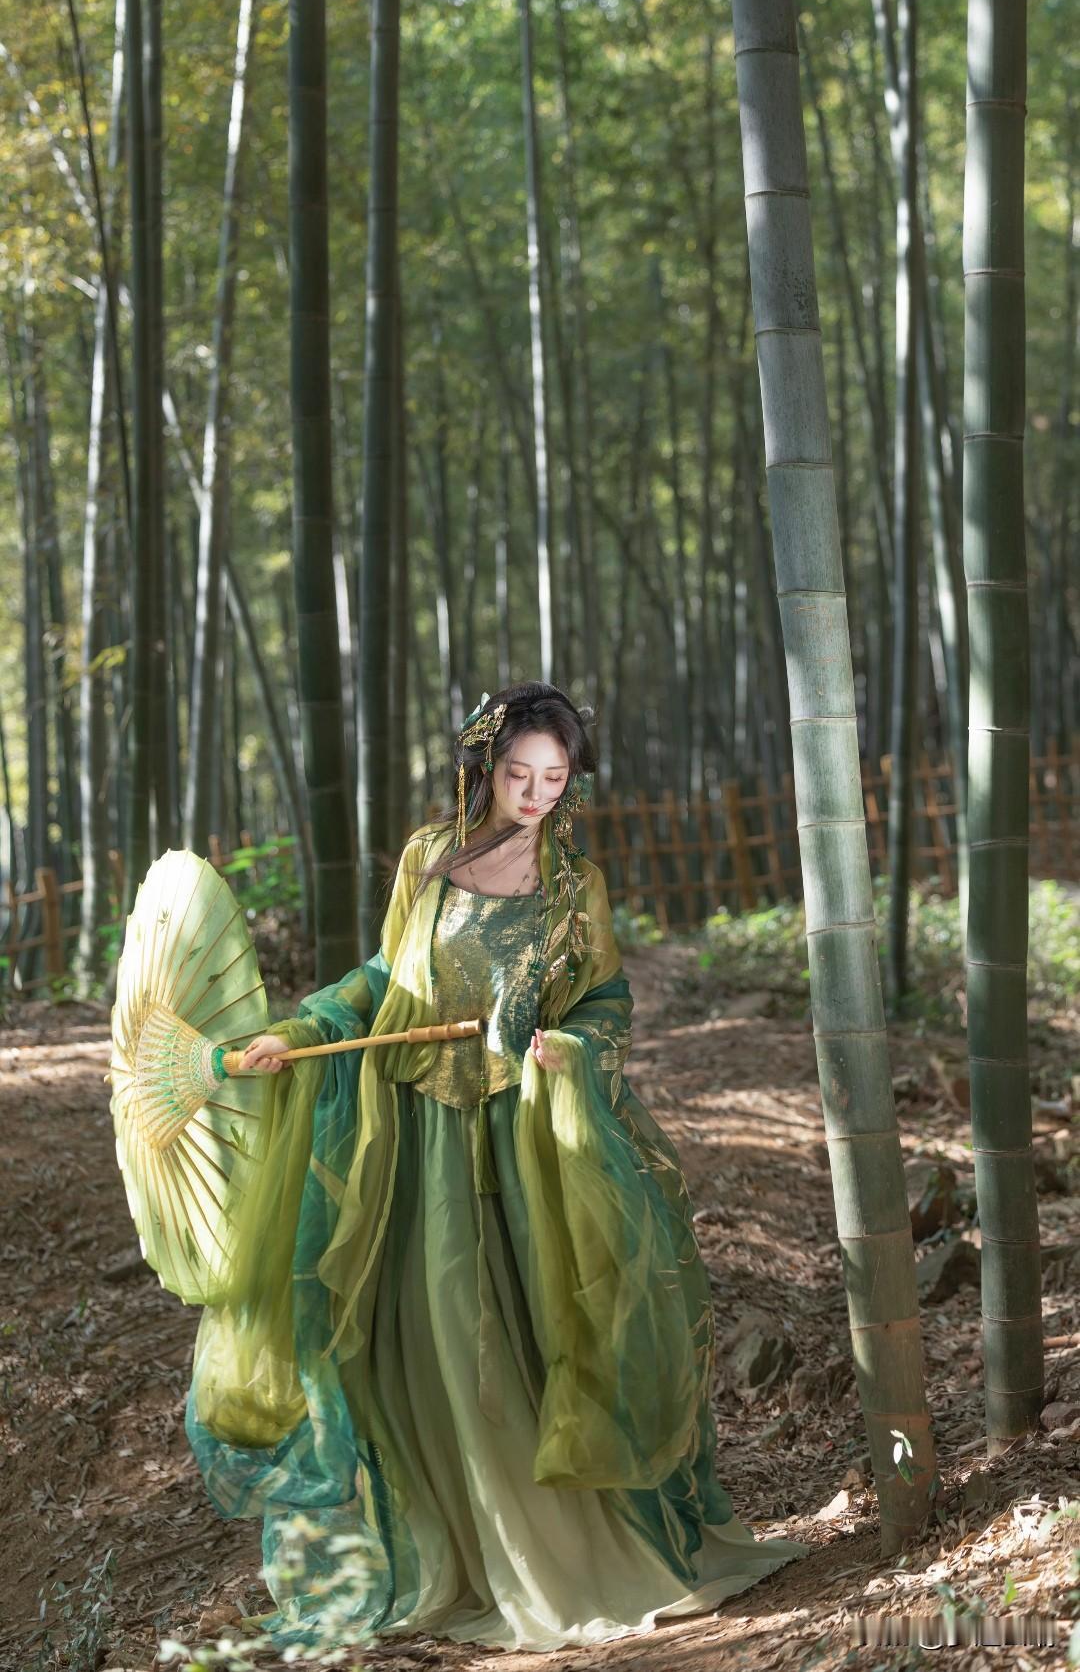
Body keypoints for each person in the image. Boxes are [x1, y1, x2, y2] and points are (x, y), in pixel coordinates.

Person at [183, 681, 809, 1654]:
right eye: (520, 772)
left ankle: (559, 1552)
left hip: (525, 1138)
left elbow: (604, 999)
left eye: (555, 777)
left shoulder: (575, 885)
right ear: (484, 768)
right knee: (432, 1340)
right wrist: (301, 1030)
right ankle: (464, 1549)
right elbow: (384, 978)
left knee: (538, 1332)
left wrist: (572, 1047)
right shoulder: (428, 859)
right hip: (419, 1136)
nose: (536, 793)